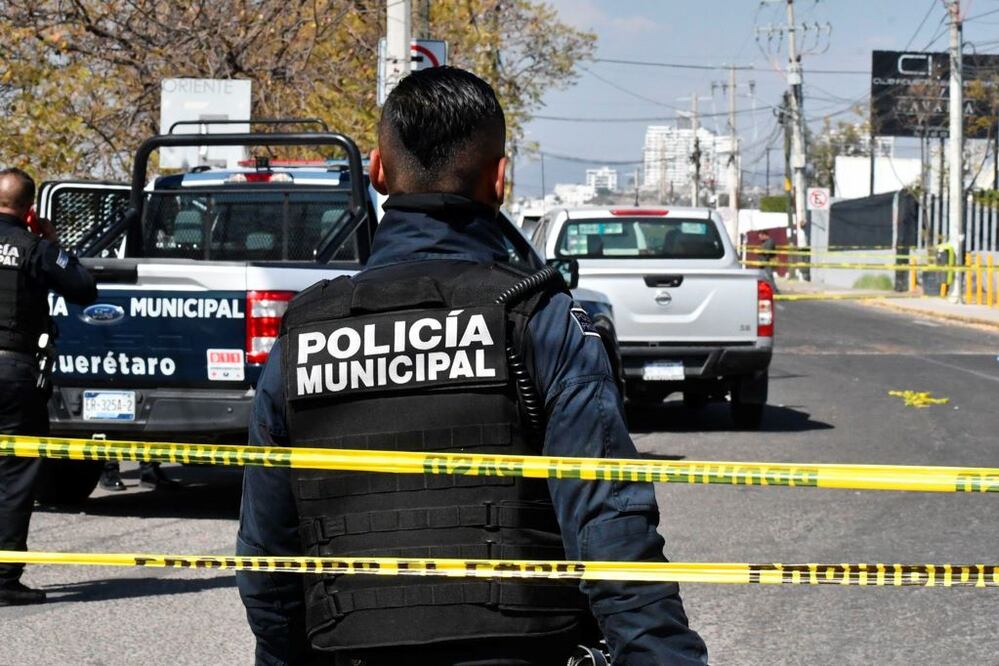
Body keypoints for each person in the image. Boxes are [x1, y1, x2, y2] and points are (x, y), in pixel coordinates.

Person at [236, 67, 708, 665]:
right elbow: (610, 527)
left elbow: (267, 560)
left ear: (378, 171)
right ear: (501, 178)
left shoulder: (303, 336)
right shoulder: (541, 321)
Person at [0, 167, 97, 605]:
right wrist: (50, 242)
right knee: (16, 477)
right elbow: (83, 288)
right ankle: (2, 580)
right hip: (14, 373)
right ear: (29, 210)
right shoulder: (33, 247)